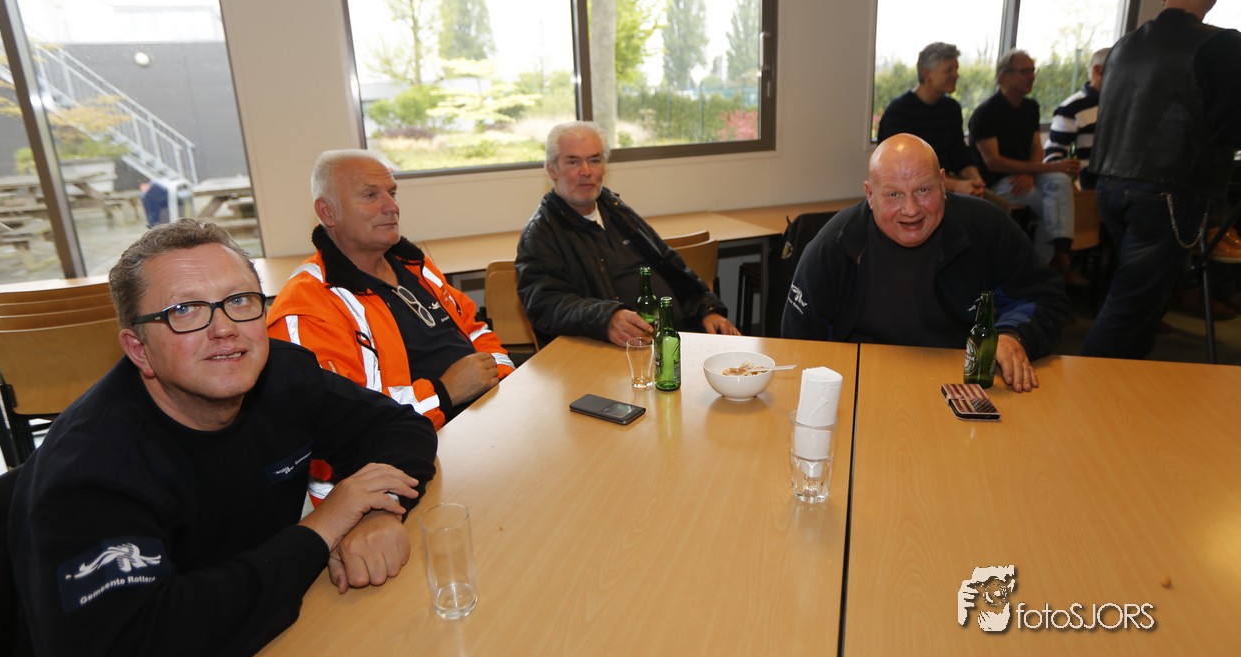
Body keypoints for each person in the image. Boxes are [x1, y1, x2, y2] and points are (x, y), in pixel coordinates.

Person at [9, 220, 438, 657]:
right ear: (138, 348)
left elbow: (399, 428)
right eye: (184, 311)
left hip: (270, 652)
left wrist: (374, 513)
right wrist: (322, 529)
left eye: (239, 300)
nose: (224, 328)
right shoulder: (92, 472)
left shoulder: (280, 376)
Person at [1083, 0, 1241, 359]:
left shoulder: (1125, 45)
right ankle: (1086, 387)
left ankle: (1123, 383)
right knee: (1133, 304)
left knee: (1142, 300)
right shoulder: (1223, 47)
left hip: (1109, 185)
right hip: (1167, 189)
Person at [782, 134, 1069, 393]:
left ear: (943, 183)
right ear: (870, 195)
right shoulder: (833, 247)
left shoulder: (986, 227)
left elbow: (1046, 297)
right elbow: (802, 345)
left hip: (963, 383)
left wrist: (1014, 335)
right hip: (864, 384)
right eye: (893, 194)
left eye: (923, 190)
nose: (911, 210)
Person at [268, 149, 512, 439]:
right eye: (370, 195)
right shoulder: (307, 306)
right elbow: (342, 423)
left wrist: (501, 378)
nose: (392, 207)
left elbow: (475, 330)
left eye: (392, 193)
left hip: (487, 410)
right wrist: (443, 393)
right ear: (327, 212)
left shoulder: (415, 266)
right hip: (415, 445)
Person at [516, 121, 739, 347]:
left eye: (594, 160)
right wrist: (606, 318)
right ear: (552, 169)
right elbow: (544, 305)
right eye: (573, 162)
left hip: (680, 335)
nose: (586, 171)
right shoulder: (540, 234)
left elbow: (669, 264)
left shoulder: (615, 209)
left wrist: (706, 309)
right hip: (619, 349)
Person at [969, 49, 1084, 283]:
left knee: (1060, 181)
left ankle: (1055, 261)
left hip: (1024, 175)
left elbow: (1036, 148)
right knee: (1049, 202)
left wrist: (1031, 172)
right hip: (996, 182)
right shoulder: (986, 112)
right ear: (1004, 76)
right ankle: (1050, 268)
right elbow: (994, 162)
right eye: (1024, 72)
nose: (1031, 76)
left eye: (1033, 70)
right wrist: (1050, 167)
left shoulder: (1031, 107)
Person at [878, 42, 988, 199]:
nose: (956, 75)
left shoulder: (951, 108)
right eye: (949, 70)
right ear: (927, 75)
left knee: (990, 209)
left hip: (944, 186)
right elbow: (903, 169)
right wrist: (956, 185)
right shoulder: (899, 112)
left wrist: (976, 180)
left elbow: (959, 154)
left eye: (956, 69)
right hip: (910, 192)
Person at [1045, 46, 1110, 188]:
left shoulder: (1128, 103)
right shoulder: (1071, 108)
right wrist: (1070, 187)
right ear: (1097, 70)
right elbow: (1053, 154)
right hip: (1093, 184)